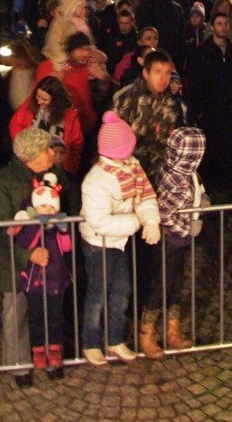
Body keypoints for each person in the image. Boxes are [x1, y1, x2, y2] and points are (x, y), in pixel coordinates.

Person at [0, 128, 76, 388]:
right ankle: (18, 365)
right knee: (16, 312)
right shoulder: (3, 182)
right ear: (30, 156)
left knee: (51, 311)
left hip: (51, 261)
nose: (53, 153)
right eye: (46, 150)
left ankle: (52, 356)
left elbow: (70, 205)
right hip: (18, 262)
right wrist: (27, 254)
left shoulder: (57, 174)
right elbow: (0, 228)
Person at [79, 111, 161, 365]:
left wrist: (151, 220)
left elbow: (145, 195)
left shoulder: (132, 166)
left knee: (122, 291)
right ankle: (90, 342)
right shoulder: (96, 181)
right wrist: (137, 222)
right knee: (98, 293)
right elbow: (100, 221)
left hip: (120, 240)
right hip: (99, 243)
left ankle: (115, 339)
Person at [137, 127, 207, 359]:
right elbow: (165, 214)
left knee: (176, 283)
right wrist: (188, 229)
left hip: (180, 241)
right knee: (162, 284)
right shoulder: (173, 178)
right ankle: (146, 333)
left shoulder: (188, 173)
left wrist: (201, 202)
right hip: (170, 239)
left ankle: (172, 330)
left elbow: (197, 191)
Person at [11, 172, 72, 377]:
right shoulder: (30, 226)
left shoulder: (56, 228)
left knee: (55, 316)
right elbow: (25, 242)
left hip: (54, 279)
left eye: (51, 207)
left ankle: (54, 347)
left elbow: (67, 247)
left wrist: (62, 229)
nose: (47, 211)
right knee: (36, 316)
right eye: (43, 207)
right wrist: (37, 225)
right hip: (35, 281)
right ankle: (38, 348)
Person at [185, 12, 232, 195]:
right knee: (211, 148)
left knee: (230, 146)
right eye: (219, 24)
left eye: (226, 24)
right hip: (210, 108)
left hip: (230, 109)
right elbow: (195, 82)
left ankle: (227, 183)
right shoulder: (202, 52)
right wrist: (198, 110)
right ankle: (211, 185)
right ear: (212, 27)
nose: (223, 27)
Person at [112, 49, 183, 187]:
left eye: (167, 73)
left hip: (160, 176)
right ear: (146, 73)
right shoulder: (128, 101)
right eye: (157, 72)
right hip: (130, 175)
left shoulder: (171, 103)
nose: (163, 78)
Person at [9, 76, 84, 177]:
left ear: (56, 99)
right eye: (37, 97)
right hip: (30, 160)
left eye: (44, 99)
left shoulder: (69, 115)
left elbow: (76, 143)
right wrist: (23, 149)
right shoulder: (29, 105)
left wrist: (70, 164)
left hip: (56, 166)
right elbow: (15, 125)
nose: (39, 101)